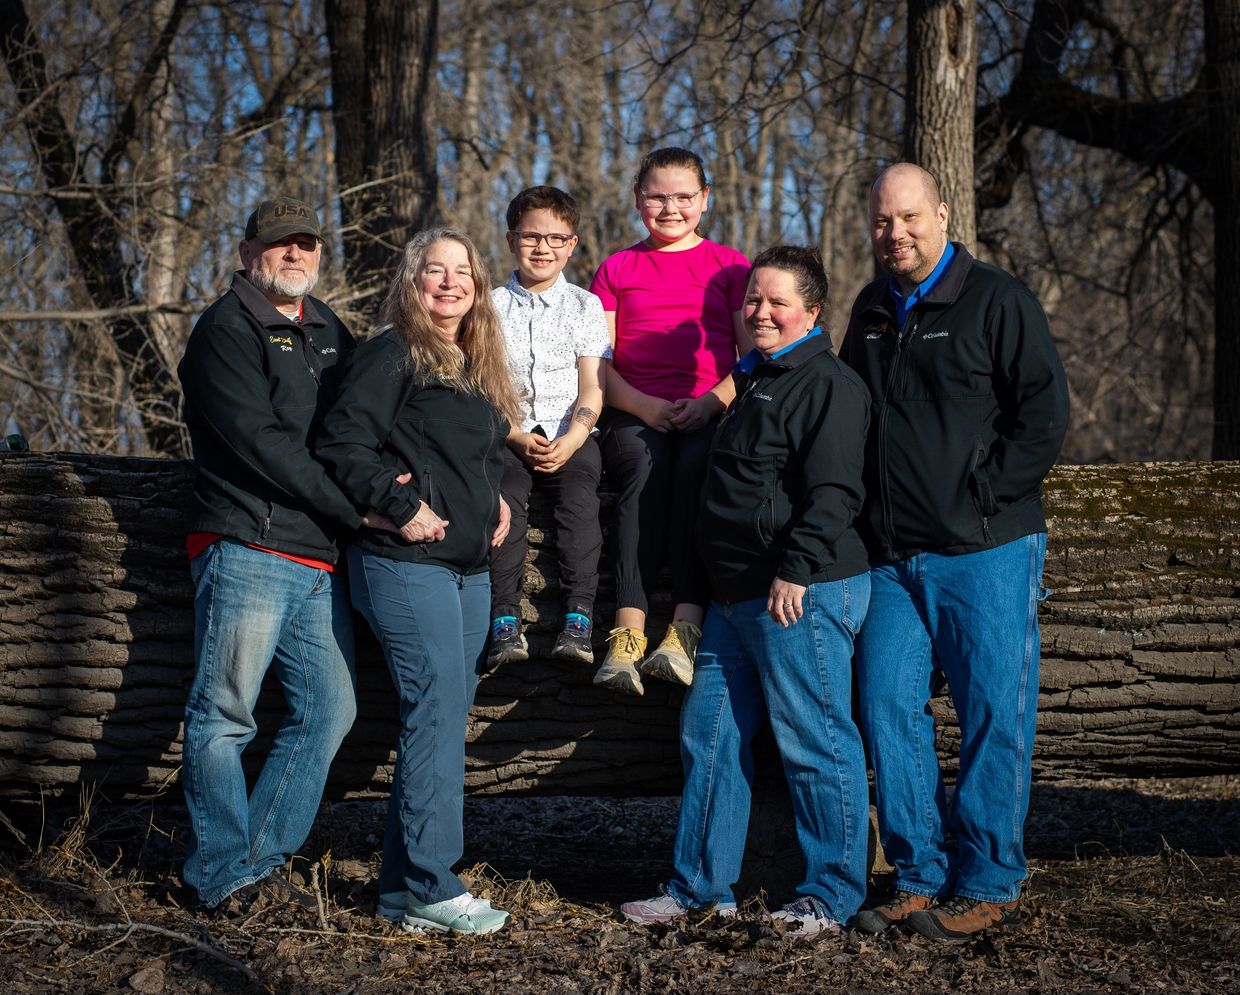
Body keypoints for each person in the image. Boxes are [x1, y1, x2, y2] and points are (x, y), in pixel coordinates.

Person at [839, 163, 1069, 942]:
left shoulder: (996, 299)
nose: (894, 234)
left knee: (993, 713)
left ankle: (988, 879)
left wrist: (981, 496)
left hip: (986, 547)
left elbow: (1044, 411)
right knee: (885, 707)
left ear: (942, 213)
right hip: (892, 556)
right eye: (881, 222)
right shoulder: (870, 310)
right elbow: (848, 417)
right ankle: (918, 873)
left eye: (908, 218)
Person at [622, 246, 872, 939]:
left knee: (815, 741)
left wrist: (796, 567)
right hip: (736, 599)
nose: (760, 312)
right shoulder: (753, 379)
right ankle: (699, 887)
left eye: (777, 301)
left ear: (813, 312)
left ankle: (831, 894)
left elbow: (836, 492)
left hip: (801, 592)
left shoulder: (828, 384)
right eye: (753, 300)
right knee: (709, 736)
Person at [315, 228, 520, 936]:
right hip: (404, 563)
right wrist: (402, 505)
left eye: (462, 271)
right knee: (435, 710)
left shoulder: (475, 361)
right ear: (412, 281)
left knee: (440, 718)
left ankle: (403, 889)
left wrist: (486, 493)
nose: (449, 282)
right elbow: (342, 440)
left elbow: (460, 450)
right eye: (434, 270)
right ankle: (435, 882)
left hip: (464, 568)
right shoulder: (394, 350)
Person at [178, 196, 365, 913]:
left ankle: (253, 864)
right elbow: (261, 444)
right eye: (280, 244)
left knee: (329, 709)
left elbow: (361, 422)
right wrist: (355, 503)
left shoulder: (328, 329)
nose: (295, 255)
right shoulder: (225, 330)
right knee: (224, 713)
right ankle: (223, 872)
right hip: (248, 539)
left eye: (307, 245)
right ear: (248, 251)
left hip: (318, 555)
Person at [589, 147, 750, 696]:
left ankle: (684, 630)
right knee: (642, 465)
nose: (671, 207)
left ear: (705, 200)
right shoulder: (616, 268)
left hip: (714, 406)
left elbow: (751, 357)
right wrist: (644, 407)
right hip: (634, 407)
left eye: (684, 196)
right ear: (638, 199)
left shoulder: (731, 267)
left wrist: (710, 402)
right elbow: (598, 364)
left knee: (699, 472)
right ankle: (627, 633)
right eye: (657, 196)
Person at [485, 186, 611, 668]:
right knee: (503, 498)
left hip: (569, 432)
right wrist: (514, 435)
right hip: (507, 434)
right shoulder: (488, 307)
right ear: (511, 239)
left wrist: (574, 438)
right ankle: (504, 620)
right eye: (531, 236)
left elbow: (593, 389)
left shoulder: (586, 306)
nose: (543, 248)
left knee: (580, 500)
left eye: (556, 238)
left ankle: (578, 618)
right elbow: (481, 385)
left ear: (573, 244)